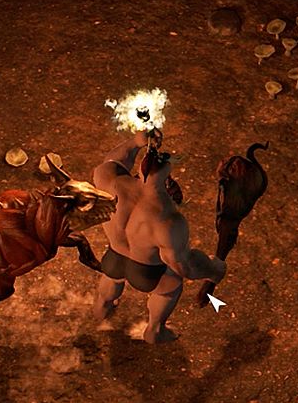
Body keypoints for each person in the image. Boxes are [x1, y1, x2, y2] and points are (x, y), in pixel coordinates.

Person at [92, 131, 226, 343]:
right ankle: (154, 331)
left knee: (111, 278)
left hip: (114, 257)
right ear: (167, 178)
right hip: (145, 273)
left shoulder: (109, 180)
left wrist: (135, 142)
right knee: (172, 285)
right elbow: (184, 267)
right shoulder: (168, 220)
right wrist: (213, 270)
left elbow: (113, 160)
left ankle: (102, 308)